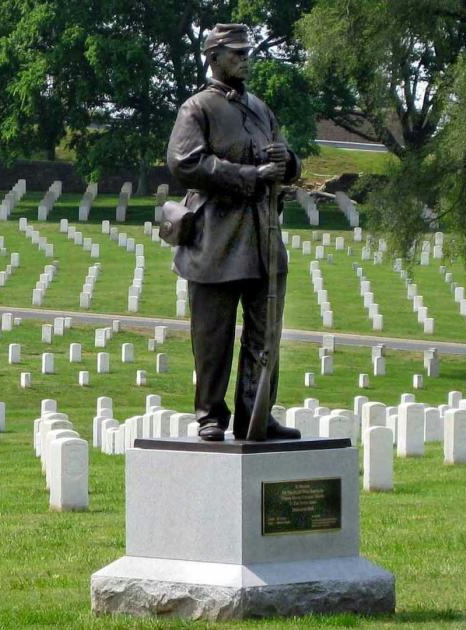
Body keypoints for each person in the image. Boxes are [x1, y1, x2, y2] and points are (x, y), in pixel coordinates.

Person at [166, 23, 302, 442]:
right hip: (217, 240)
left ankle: (256, 414)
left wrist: (288, 161)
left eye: (247, 52)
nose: (245, 59)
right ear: (214, 57)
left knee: (266, 336)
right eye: (237, 53)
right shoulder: (197, 109)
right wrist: (249, 174)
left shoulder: (261, 110)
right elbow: (184, 162)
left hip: (262, 239)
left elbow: (283, 165)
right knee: (213, 336)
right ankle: (210, 414)